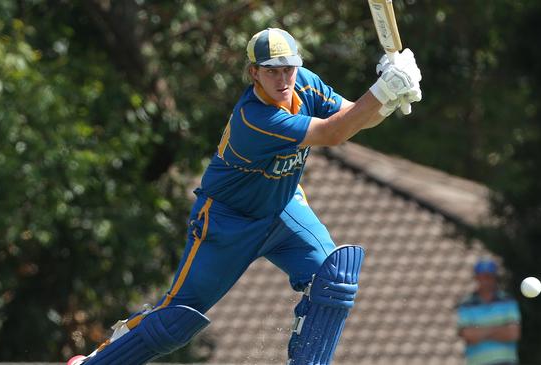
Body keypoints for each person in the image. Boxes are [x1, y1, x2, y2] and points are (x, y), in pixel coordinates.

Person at [68, 27, 422, 365]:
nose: (283, 80)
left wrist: (390, 98)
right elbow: (333, 132)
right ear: (254, 73)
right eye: (272, 72)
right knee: (174, 323)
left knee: (335, 278)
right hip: (227, 222)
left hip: (281, 209)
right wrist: (382, 90)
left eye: (289, 69)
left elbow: (353, 117)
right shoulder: (255, 118)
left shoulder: (306, 84)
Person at [457, 259, 522, 365]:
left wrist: (481, 331)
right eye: (483, 277)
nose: (486, 281)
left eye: (489, 277)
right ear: (477, 278)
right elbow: (468, 335)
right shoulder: (467, 305)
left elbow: (513, 333)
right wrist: (499, 329)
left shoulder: (507, 301)